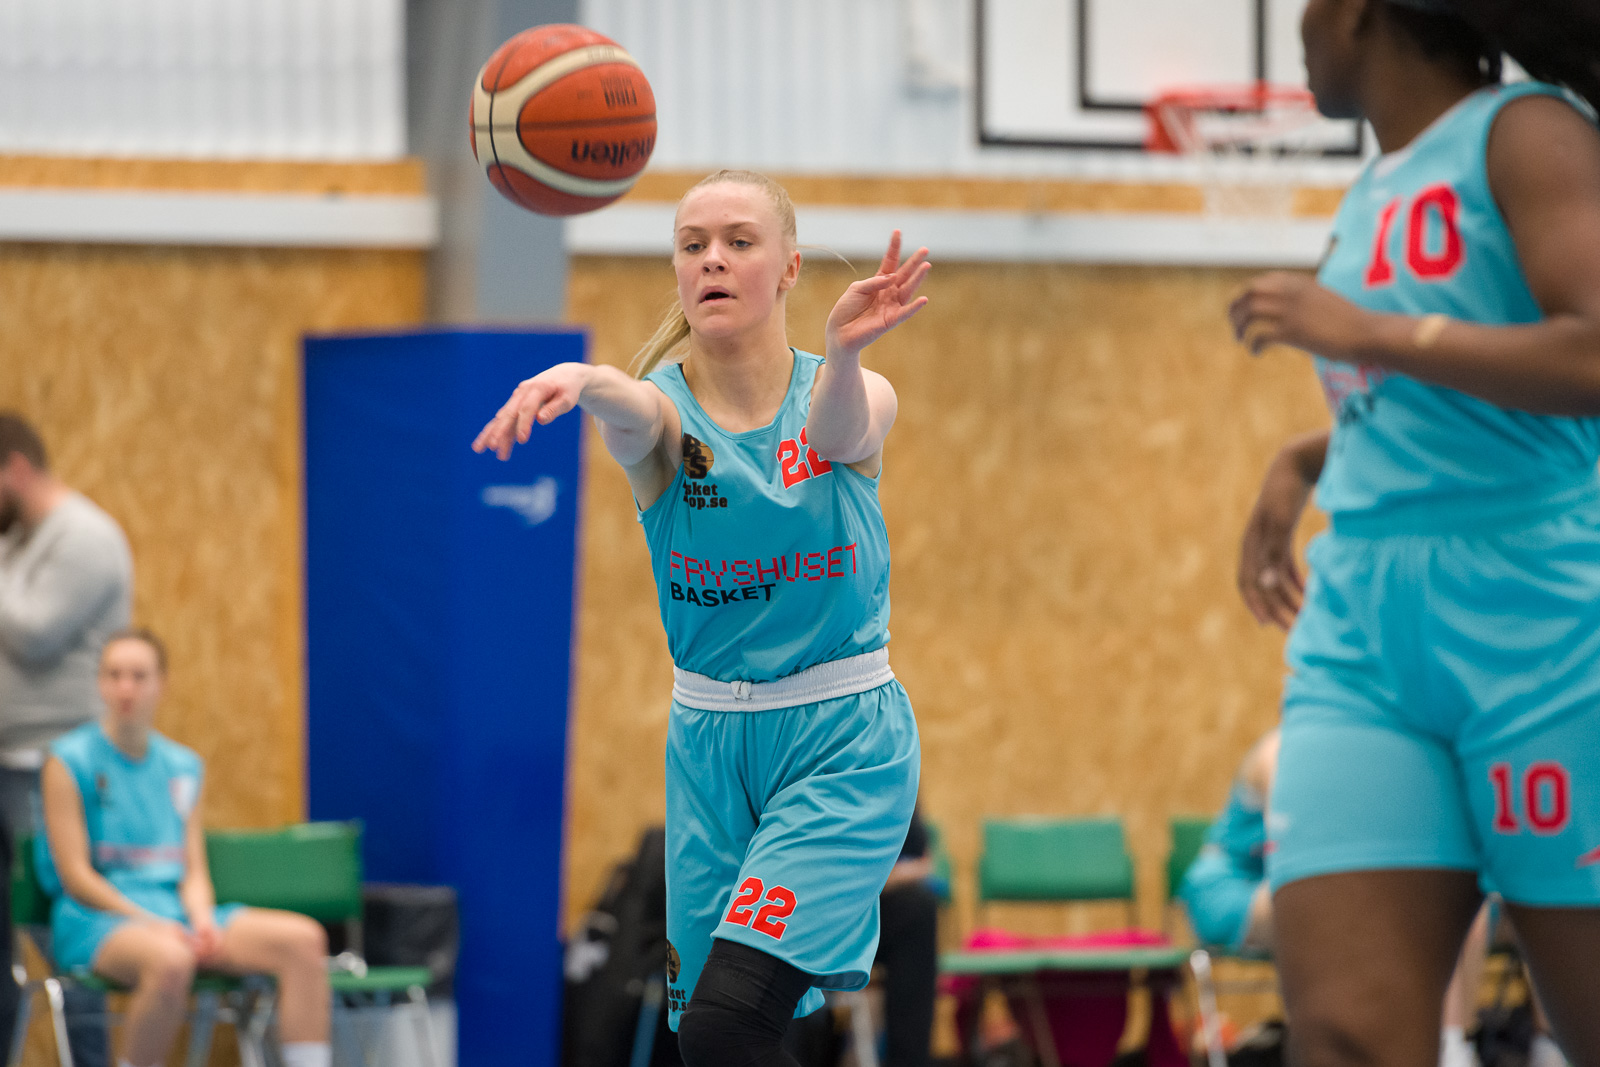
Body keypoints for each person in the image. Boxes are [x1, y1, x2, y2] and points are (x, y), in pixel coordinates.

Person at [474, 169, 927, 1067]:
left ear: (789, 268)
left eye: (738, 241)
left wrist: (842, 353)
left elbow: (838, 436)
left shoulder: (853, 393)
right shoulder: (665, 415)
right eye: (692, 245)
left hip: (839, 741)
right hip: (709, 745)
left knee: (728, 1020)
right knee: (720, 1039)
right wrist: (586, 378)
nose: (711, 259)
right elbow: (636, 411)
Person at [1228, 0, 1600, 1064]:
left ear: (1357, 12)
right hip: (1365, 625)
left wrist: (1374, 332)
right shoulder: (1374, 186)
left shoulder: (1527, 131)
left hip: (1541, 616)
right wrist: (1309, 455)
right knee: (1344, 1032)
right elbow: (1439, 406)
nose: (1299, 26)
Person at [38, 629, 331, 1067]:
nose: (125, 688)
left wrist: (202, 920)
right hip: (98, 917)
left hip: (173, 912)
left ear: (162, 684)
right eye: (114, 675)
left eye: (138, 676)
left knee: (304, 940)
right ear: (99, 682)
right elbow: (76, 877)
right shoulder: (67, 761)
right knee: (171, 961)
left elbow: (193, 871)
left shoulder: (183, 767)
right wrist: (150, 923)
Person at [1180, 729, 1493, 1067]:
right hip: (1237, 886)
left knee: (1448, 893)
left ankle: (1454, 1045)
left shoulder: (1370, 762)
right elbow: (1288, 851)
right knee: (1332, 901)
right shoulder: (1278, 751)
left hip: (1308, 880)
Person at [0, 412, 133, 1064]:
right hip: (6, 760)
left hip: (52, 769)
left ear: (16, 469)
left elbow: (34, 632)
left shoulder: (86, 537)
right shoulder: (16, 542)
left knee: (67, 939)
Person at [875, 807, 940, 1067]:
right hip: (815, 902)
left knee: (919, 908)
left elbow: (922, 859)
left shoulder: (899, 783)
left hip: (875, 903)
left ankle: (908, 1060)